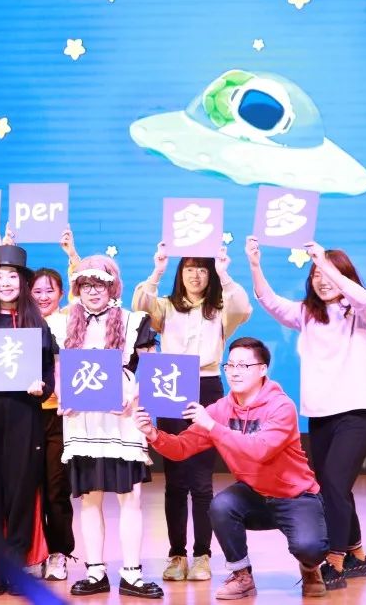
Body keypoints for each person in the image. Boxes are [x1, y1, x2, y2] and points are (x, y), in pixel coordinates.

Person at [134, 337, 329, 600]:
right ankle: (242, 576)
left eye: (244, 365)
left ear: (262, 369)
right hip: (255, 494)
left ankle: (310, 568)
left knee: (310, 548)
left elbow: (260, 450)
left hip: (295, 496)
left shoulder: (281, 406)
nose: (235, 372)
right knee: (221, 506)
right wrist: (152, 433)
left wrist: (212, 426)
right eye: (230, 365)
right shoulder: (220, 410)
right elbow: (181, 448)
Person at [246, 237, 366, 590]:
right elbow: (270, 301)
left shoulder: (362, 311)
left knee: (335, 485)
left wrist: (324, 261)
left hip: (357, 411)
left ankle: (334, 560)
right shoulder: (308, 315)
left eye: (328, 274)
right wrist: (255, 265)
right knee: (333, 487)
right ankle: (357, 556)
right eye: (316, 275)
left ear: (344, 276)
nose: (321, 280)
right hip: (321, 414)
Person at [131, 242, 251, 582]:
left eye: (202, 269)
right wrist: (157, 269)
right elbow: (140, 307)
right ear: (179, 273)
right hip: (170, 385)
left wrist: (224, 273)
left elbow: (243, 306)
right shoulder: (167, 306)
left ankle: (202, 555)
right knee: (175, 480)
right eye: (188, 268)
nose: (195, 275)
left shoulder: (220, 309)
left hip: (207, 386)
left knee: (201, 480)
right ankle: (176, 554)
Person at [60, 255, 164, 599]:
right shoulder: (63, 323)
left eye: (100, 285)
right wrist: (62, 395)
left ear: (113, 287)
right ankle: (95, 572)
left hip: (122, 420)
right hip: (83, 422)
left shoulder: (135, 321)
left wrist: (135, 396)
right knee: (89, 499)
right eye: (86, 285)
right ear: (78, 288)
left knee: (130, 498)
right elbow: (58, 369)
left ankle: (132, 573)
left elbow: (153, 368)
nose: (93, 291)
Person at [0, 244, 58, 597]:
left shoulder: (37, 323)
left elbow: (48, 373)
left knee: (21, 490)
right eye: (0, 276)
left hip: (24, 414)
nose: (6, 282)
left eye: (13, 276)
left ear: (23, 282)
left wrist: (42, 387)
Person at [30, 265, 75, 581]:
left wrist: (72, 255)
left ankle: (59, 553)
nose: (43, 296)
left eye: (50, 290)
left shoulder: (71, 323)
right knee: (27, 489)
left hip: (59, 416)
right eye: (37, 291)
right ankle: (32, 552)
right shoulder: (20, 324)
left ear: (61, 294)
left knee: (56, 488)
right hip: (25, 414)